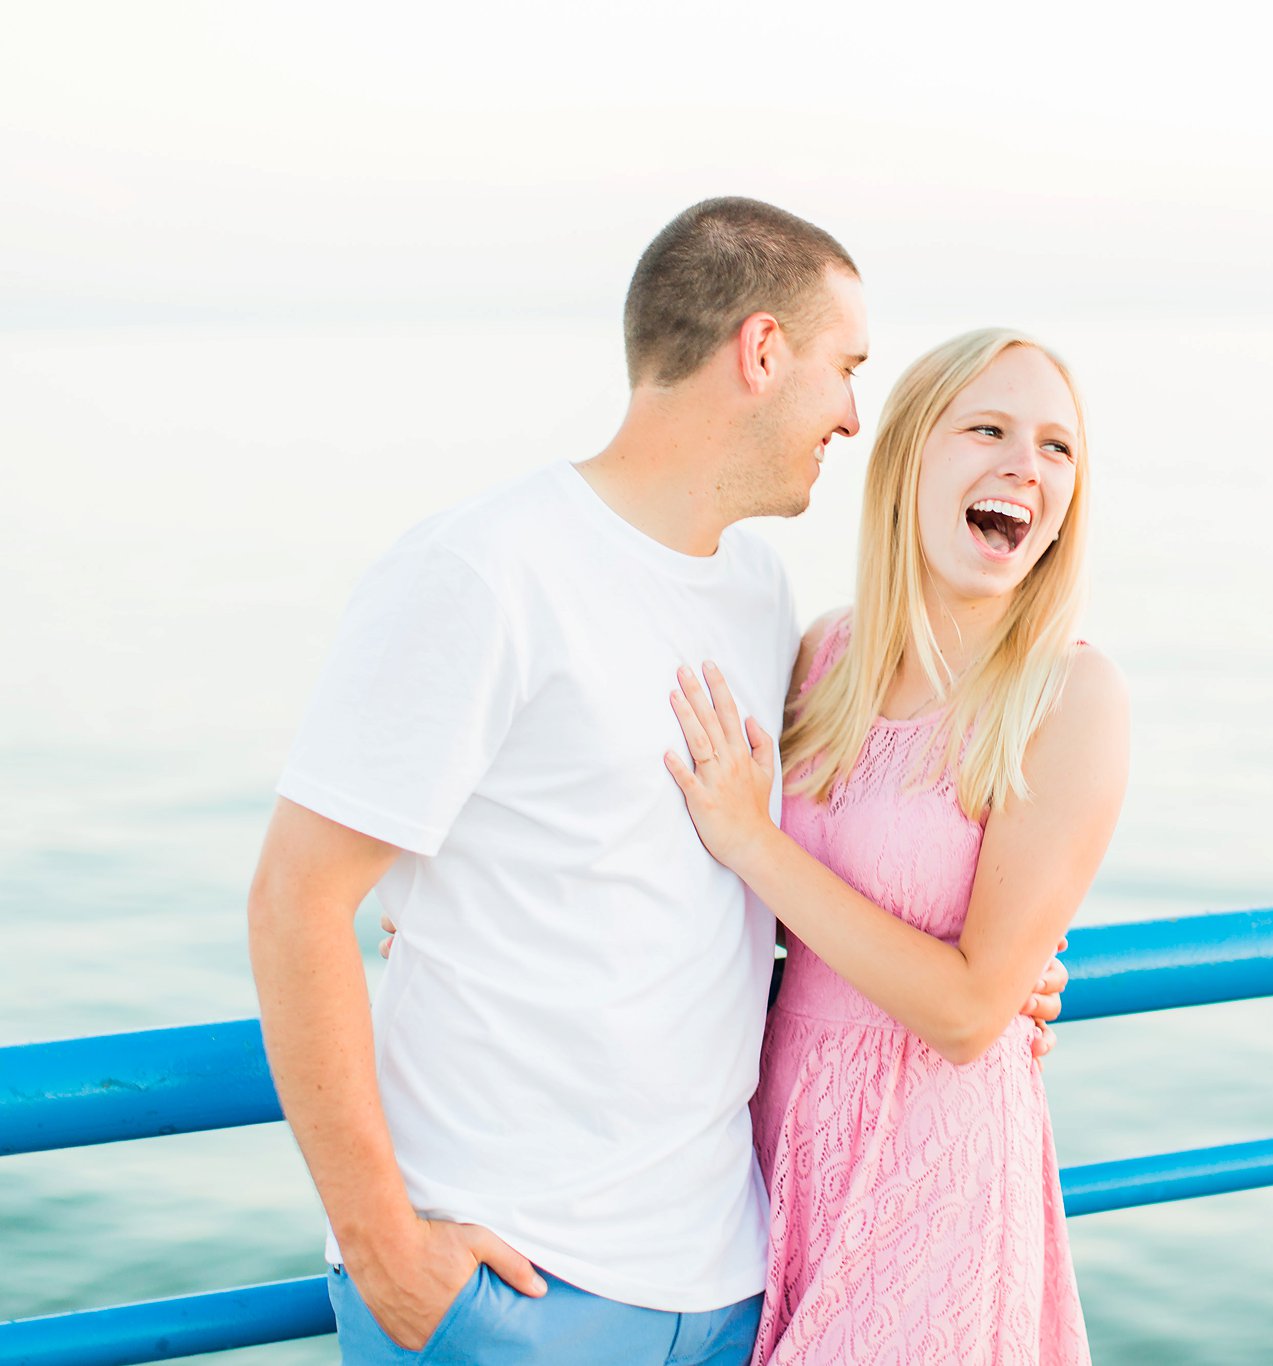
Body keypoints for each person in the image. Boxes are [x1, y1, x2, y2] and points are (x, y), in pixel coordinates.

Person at [245, 198, 1062, 1366]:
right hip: (511, 1286)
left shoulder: (759, 594)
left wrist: (987, 966)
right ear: (762, 350)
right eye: (843, 366)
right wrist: (385, 1252)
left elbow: (726, 881)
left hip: (731, 1279)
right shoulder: (486, 567)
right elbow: (296, 900)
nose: (849, 410)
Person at [663, 329, 1128, 1364]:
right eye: (988, 429)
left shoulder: (1069, 696)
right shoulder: (820, 655)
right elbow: (687, 830)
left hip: (935, 1161)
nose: (1025, 464)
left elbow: (968, 1012)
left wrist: (755, 842)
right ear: (909, 458)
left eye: (1057, 447)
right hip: (775, 1139)